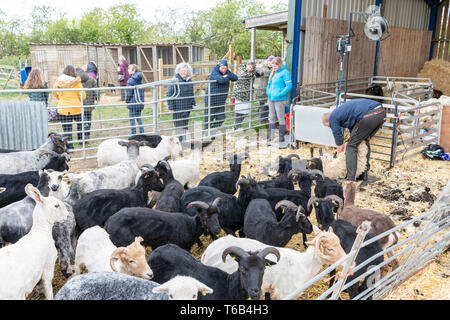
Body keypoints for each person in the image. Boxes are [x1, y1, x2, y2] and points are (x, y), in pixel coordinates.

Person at [321, 93, 386, 182]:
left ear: (327, 122)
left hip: (370, 115)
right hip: (381, 113)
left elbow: (337, 135)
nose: (330, 127)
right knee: (363, 141)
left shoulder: (333, 117)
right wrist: (344, 145)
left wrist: (339, 150)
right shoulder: (344, 115)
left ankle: (350, 178)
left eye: (328, 126)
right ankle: (363, 173)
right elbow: (354, 135)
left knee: (351, 146)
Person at [53, 65, 86, 150]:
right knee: (81, 124)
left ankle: (70, 147)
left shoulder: (58, 82)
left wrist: (61, 99)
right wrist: (79, 100)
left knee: (67, 130)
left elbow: (55, 94)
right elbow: (82, 95)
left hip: (63, 108)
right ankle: (81, 140)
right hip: (76, 108)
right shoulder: (77, 82)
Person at [204, 59, 238, 136]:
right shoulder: (214, 71)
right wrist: (226, 78)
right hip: (211, 100)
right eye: (222, 68)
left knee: (221, 118)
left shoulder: (227, 72)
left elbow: (235, 78)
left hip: (221, 100)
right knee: (208, 119)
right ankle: (207, 134)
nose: (224, 70)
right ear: (219, 66)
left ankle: (212, 130)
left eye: (225, 68)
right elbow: (221, 80)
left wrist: (227, 75)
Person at [166, 62, 196, 143]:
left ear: (188, 72)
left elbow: (191, 93)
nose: (183, 72)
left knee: (185, 124)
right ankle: (179, 143)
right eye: (182, 70)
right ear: (178, 71)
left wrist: (193, 103)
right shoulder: (174, 80)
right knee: (179, 126)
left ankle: (183, 141)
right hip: (177, 107)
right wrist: (171, 107)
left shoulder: (189, 80)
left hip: (187, 107)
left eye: (185, 71)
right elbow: (169, 94)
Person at [266, 57, 292, 143]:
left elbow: (289, 86)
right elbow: (269, 84)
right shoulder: (273, 72)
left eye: (276, 65)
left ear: (280, 64)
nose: (274, 67)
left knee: (280, 117)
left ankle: (281, 136)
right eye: (273, 65)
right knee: (271, 117)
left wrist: (280, 94)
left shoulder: (285, 73)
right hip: (271, 98)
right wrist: (268, 93)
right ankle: (271, 135)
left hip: (280, 99)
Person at [232, 61, 261, 130]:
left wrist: (257, 74)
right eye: (249, 67)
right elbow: (244, 75)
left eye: (252, 68)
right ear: (247, 65)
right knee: (239, 110)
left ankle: (238, 124)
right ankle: (236, 126)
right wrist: (253, 75)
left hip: (248, 94)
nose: (250, 69)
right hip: (240, 93)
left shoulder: (253, 71)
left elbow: (261, 72)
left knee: (246, 111)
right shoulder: (241, 69)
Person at [76, 67, 98, 143]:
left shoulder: (75, 80)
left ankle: (80, 139)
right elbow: (96, 91)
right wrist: (97, 98)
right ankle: (87, 136)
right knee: (88, 120)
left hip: (78, 104)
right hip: (89, 104)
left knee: (80, 122)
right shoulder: (92, 79)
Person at [254, 56, 274, 124]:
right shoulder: (263, 67)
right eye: (270, 62)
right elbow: (267, 72)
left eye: (273, 62)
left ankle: (263, 118)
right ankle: (262, 121)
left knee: (266, 106)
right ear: (267, 61)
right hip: (262, 91)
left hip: (270, 91)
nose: (271, 63)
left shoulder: (272, 68)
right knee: (263, 105)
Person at [126, 64, 145, 135]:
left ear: (133, 70)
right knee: (138, 117)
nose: (128, 70)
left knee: (131, 118)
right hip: (139, 101)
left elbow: (129, 92)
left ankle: (133, 132)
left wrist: (127, 101)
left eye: (129, 69)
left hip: (133, 102)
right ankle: (141, 131)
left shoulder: (131, 80)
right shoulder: (140, 79)